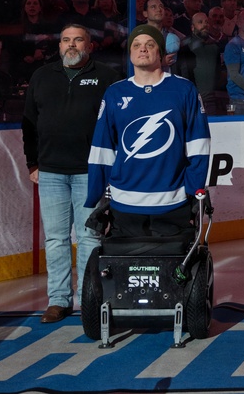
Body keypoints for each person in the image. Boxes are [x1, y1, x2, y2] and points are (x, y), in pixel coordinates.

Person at [22, 24, 120, 323]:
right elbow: (29, 123)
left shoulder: (107, 77)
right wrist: (33, 163)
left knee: (90, 236)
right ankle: (58, 300)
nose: (71, 45)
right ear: (59, 45)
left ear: (90, 45)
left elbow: (116, 124)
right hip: (51, 172)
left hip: (90, 172)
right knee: (55, 239)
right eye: (65, 40)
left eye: (78, 39)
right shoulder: (41, 76)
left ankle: (89, 298)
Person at [86, 25, 211, 238]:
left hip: (172, 204)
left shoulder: (184, 90)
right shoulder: (115, 93)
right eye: (136, 45)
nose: (142, 49)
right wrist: (94, 195)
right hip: (124, 203)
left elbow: (199, 146)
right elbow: (102, 147)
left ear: (161, 53)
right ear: (130, 53)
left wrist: (193, 191)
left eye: (150, 44)